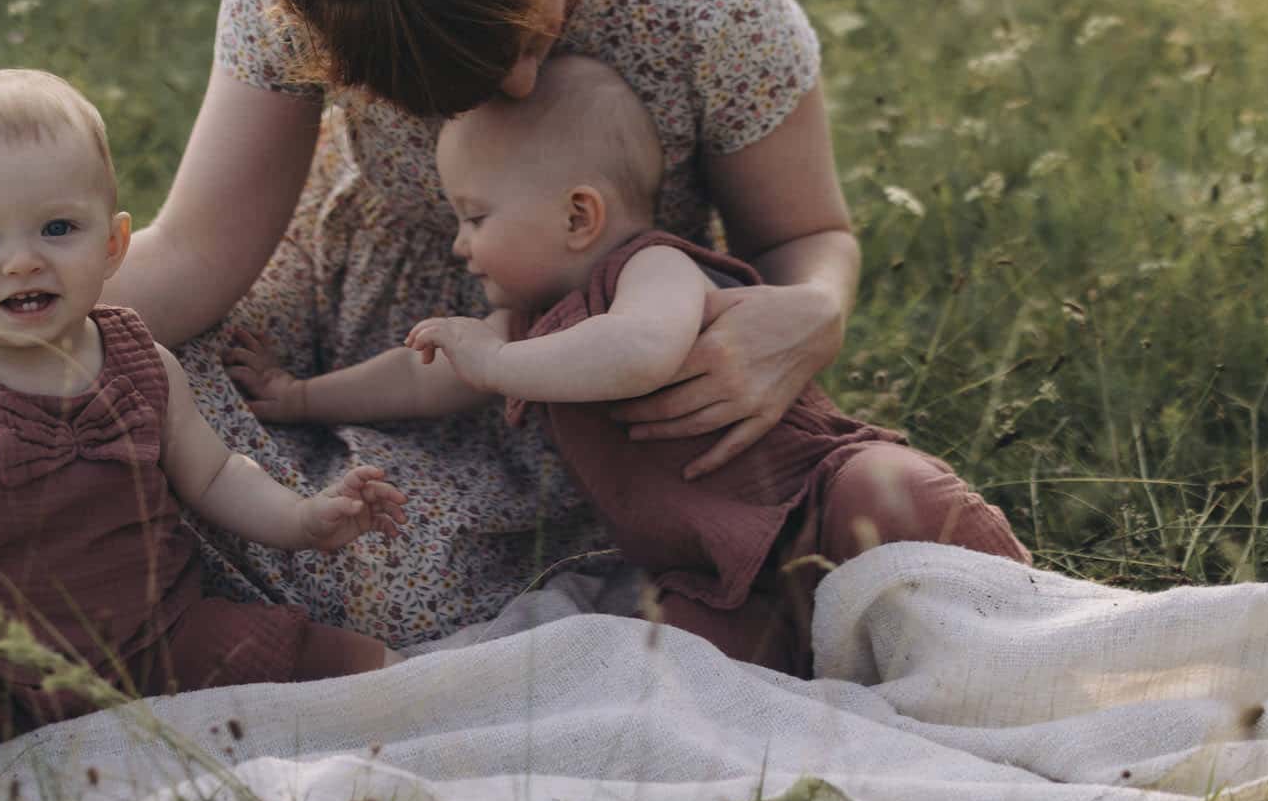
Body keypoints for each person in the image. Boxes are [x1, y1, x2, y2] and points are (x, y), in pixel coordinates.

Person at [0, 0, 868, 648]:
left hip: (571, 350)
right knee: (122, 389)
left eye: (526, 41)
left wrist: (812, 311)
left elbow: (803, 235)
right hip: (343, 282)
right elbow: (194, 256)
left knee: (371, 560)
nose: (517, 87)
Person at [236, 56, 1030, 676]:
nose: (459, 244)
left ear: (579, 214)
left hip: (816, 498)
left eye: (475, 216)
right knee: (672, 668)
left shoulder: (652, 269)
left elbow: (639, 350)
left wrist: (499, 360)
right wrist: (299, 396)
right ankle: (844, 684)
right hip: (714, 573)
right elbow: (420, 376)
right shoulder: (524, 328)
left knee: (894, 495)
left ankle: (1023, 622)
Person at [0, 70, 403, 757]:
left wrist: (301, 519)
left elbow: (216, 475)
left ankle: (426, 694)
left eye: (58, 227)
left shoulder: (145, 363)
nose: (23, 261)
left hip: (155, 637)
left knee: (333, 657)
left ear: (113, 245)